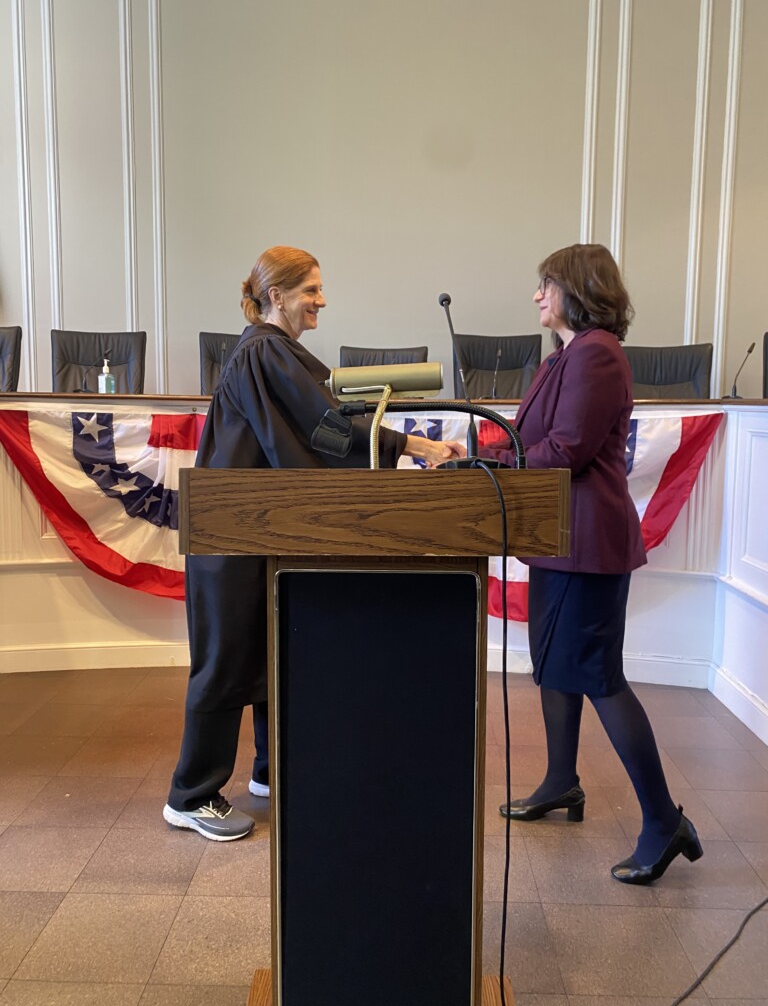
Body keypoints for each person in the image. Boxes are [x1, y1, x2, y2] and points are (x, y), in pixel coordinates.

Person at [164, 246, 456, 841]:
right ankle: (190, 795)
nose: (321, 300)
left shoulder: (276, 353)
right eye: (311, 290)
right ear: (277, 296)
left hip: (261, 528)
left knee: (273, 651)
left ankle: (272, 773)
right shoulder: (264, 350)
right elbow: (324, 427)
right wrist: (414, 448)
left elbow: (313, 425)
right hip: (233, 533)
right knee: (225, 663)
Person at [447, 243, 702, 884]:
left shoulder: (596, 354)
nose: (536, 296)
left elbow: (564, 450)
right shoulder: (564, 356)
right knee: (555, 668)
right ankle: (562, 782)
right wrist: (482, 450)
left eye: (546, 285)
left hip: (588, 544)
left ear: (576, 289)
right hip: (558, 538)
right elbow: (531, 438)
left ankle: (663, 819)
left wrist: (491, 466)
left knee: (598, 676)